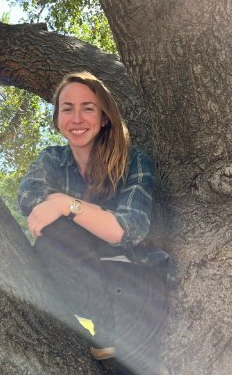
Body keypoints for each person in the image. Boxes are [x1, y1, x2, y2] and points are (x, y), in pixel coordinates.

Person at [18, 72, 168, 375]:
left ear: (104, 117)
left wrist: (65, 204)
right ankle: (107, 329)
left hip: (135, 283)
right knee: (53, 233)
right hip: (84, 285)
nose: (77, 118)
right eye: (67, 108)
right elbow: (30, 200)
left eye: (88, 108)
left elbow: (126, 230)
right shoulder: (51, 159)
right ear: (57, 118)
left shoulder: (134, 162)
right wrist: (84, 216)